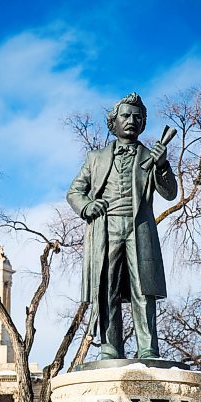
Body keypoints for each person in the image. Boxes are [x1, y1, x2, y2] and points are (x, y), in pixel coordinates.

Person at [67, 92, 177, 360]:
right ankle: (110, 347)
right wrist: (86, 206)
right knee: (107, 290)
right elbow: (74, 192)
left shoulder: (151, 157)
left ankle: (148, 348)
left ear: (143, 124)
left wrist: (162, 166)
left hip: (139, 229)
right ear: (113, 123)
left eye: (137, 117)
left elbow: (170, 192)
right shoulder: (96, 158)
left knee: (143, 289)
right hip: (106, 229)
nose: (131, 120)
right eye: (125, 115)